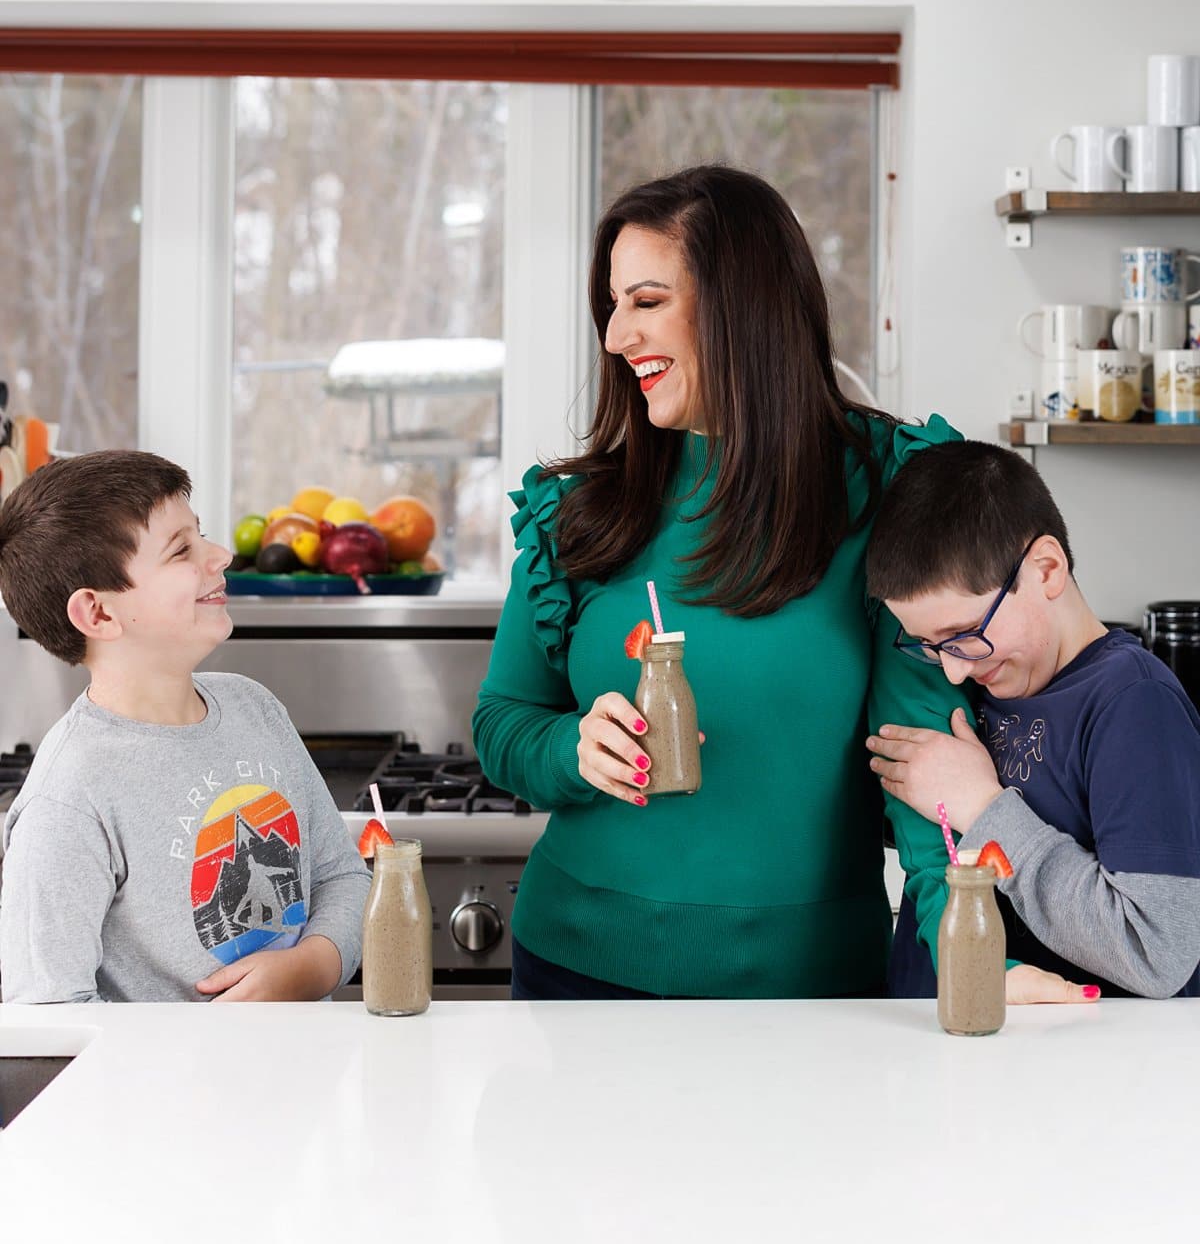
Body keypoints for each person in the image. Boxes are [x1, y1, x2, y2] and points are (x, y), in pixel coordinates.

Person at [473, 164, 962, 1000]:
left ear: (743, 307)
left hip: (809, 995)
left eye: (648, 301)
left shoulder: (891, 489)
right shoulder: (578, 509)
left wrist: (971, 958)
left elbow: (925, 762)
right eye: (615, 304)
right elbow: (503, 723)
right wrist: (572, 749)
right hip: (577, 978)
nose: (616, 337)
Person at [0, 450, 369, 1004]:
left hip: (306, 1074)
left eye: (204, 536)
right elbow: (51, 1017)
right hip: (168, 1093)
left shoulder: (255, 709)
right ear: (98, 614)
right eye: (182, 551)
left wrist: (312, 967)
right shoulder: (69, 797)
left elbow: (343, 877)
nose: (220, 556)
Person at [864, 440, 1200, 999]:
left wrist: (984, 808)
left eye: (964, 635)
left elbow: (1157, 951)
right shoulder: (988, 683)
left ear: (1047, 570)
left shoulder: (1135, 705)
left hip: (1072, 1067)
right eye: (928, 645)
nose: (951, 671)